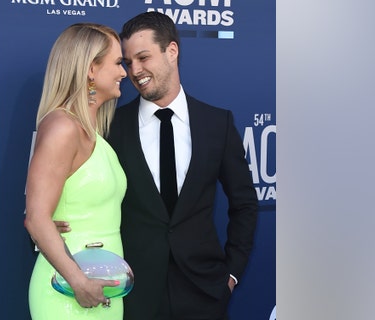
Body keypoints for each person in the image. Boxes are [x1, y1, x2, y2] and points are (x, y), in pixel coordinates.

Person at [57, 12, 259, 320]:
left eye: (143, 57)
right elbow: (73, 189)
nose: (135, 71)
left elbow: (244, 203)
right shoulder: (109, 126)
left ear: (172, 51)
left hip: (205, 291)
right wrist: (52, 221)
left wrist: (231, 274)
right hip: (133, 293)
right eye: (127, 62)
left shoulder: (217, 123)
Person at [24, 22, 127, 320]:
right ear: (91, 69)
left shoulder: (94, 133)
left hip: (101, 290)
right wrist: (78, 281)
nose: (124, 73)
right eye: (118, 63)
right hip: (67, 290)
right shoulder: (62, 127)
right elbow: (36, 218)